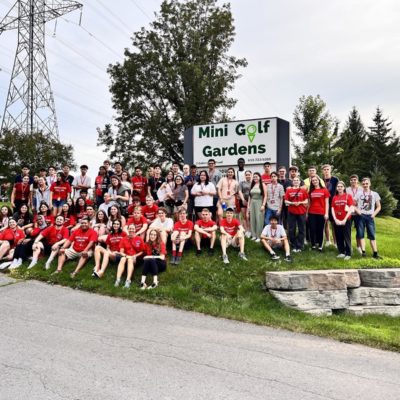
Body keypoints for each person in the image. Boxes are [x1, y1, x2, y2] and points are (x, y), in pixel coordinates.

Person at [354, 177, 382, 259]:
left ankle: (375, 254)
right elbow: (353, 204)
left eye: (366, 183)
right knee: (361, 234)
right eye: (363, 184)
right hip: (361, 216)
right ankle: (363, 252)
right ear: (361, 185)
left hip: (370, 216)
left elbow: (379, 206)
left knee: (372, 235)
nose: (365, 185)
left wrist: (373, 215)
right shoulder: (359, 193)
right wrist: (357, 210)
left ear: (370, 184)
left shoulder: (375, 194)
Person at [115, 224, 145, 288]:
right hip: (126, 258)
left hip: (135, 259)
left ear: (135, 230)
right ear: (128, 229)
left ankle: (128, 281)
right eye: (130, 228)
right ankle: (118, 280)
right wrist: (126, 256)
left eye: (133, 229)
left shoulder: (139, 239)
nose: (131, 230)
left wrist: (135, 256)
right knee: (123, 258)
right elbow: (121, 252)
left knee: (130, 259)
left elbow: (142, 251)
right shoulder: (124, 239)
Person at [284, 176, 308, 252]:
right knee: (291, 229)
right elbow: (285, 201)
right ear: (292, 182)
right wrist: (292, 203)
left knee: (301, 229)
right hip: (292, 212)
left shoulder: (303, 190)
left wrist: (300, 202)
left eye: (297, 180)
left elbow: (306, 201)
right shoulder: (289, 190)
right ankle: (294, 245)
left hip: (301, 212)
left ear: (300, 182)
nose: (296, 181)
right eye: (294, 180)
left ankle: (300, 245)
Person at [331, 181, 353, 260]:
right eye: (338, 187)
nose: (339, 188)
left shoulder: (348, 196)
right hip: (337, 220)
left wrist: (345, 219)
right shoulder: (334, 197)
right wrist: (335, 219)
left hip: (346, 220)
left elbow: (351, 209)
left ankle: (348, 253)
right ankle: (341, 252)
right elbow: (332, 208)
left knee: (346, 236)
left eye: (341, 186)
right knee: (339, 236)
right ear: (336, 188)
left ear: (344, 188)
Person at [307, 176, 330, 251]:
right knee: (312, 229)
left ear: (319, 180)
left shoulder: (324, 190)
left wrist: (326, 213)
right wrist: (307, 213)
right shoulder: (311, 191)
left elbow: (327, 203)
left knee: (320, 229)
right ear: (311, 182)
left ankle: (320, 245)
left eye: (315, 180)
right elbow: (309, 203)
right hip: (312, 212)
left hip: (321, 213)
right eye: (313, 180)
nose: (314, 181)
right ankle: (313, 245)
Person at [322, 164, 339, 246]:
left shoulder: (335, 180)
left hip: (332, 204)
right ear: (322, 171)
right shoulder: (321, 180)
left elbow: (338, 191)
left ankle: (336, 242)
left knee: (333, 224)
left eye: (327, 169)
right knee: (325, 223)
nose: (326, 170)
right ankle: (328, 240)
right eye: (324, 169)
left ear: (330, 170)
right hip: (323, 204)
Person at [247, 172, 266, 241]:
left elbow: (265, 196)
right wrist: (248, 206)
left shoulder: (262, 185)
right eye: (254, 177)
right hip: (252, 203)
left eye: (256, 177)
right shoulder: (252, 185)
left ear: (260, 177)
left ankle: (259, 236)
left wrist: (263, 205)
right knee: (252, 219)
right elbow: (250, 197)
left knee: (259, 219)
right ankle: (253, 235)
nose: (255, 178)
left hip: (259, 202)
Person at [346, 174, 362, 252]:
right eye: (352, 180)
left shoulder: (361, 189)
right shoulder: (347, 189)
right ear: (350, 181)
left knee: (359, 230)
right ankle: (349, 246)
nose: (353, 181)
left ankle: (358, 246)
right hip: (349, 212)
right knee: (347, 230)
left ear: (357, 181)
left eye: (355, 180)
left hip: (358, 213)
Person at [238, 170, 252, 237]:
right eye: (246, 175)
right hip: (243, 201)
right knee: (244, 216)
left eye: (249, 174)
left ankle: (251, 230)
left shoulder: (253, 183)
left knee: (249, 216)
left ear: (251, 175)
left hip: (251, 201)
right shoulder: (242, 183)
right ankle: (246, 231)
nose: (248, 176)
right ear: (245, 176)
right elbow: (240, 191)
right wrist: (243, 200)